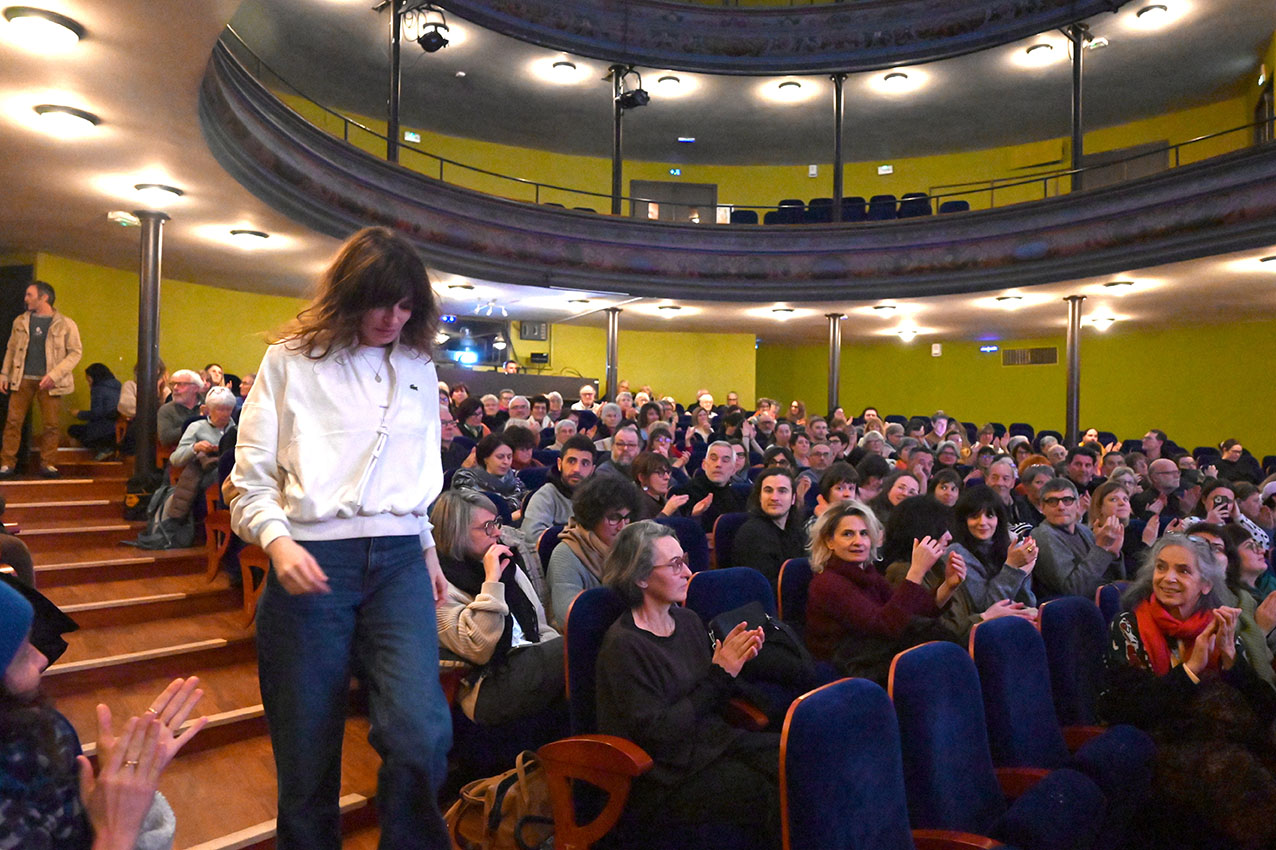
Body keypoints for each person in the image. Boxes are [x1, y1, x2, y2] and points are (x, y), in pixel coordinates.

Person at [228, 226, 454, 849]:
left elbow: (415, 472)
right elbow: (248, 481)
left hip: (400, 561)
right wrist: (278, 543)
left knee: (420, 734)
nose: (393, 318)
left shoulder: (418, 365)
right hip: (311, 557)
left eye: (406, 305)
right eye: (381, 302)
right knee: (306, 760)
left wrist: (427, 548)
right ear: (348, 294)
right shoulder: (289, 360)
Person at [595, 521, 778, 847]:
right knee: (764, 791)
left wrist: (736, 663)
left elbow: (712, 697)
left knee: (793, 757)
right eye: (675, 564)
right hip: (666, 775)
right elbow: (659, 734)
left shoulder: (688, 620)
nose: (689, 573)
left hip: (710, 746)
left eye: (685, 560)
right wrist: (721, 674)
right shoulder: (623, 646)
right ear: (640, 577)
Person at [0, 577, 209, 850]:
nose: (42, 659)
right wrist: (115, 834)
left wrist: (110, 800)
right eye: (22, 657)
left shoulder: (40, 725)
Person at [1097, 535, 1276, 850]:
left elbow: (1264, 706)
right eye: (1161, 568)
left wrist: (1231, 660)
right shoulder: (1128, 626)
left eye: (1183, 570)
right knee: (1230, 772)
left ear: (1205, 585)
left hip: (1221, 737)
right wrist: (1191, 669)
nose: (1168, 578)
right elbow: (1125, 707)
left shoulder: (1217, 622)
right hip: (1159, 739)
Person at [432, 491, 565, 726]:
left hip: (527, 658)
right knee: (579, 646)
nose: (497, 532)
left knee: (581, 655)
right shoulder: (437, 586)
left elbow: (539, 625)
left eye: (496, 523)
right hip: (485, 683)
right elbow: (479, 648)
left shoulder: (506, 565)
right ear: (457, 533)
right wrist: (491, 581)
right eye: (487, 527)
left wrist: (552, 648)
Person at [805, 500, 964, 683]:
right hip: (850, 668)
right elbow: (885, 626)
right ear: (829, 541)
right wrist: (916, 572)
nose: (858, 541)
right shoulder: (827, 583)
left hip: (876, 653)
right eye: (848, 534)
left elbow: (910, 613)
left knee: (939, 638)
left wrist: (948, 586)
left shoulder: (867, 573)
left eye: (864, 533)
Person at [0, 281, 82, 478]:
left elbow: (75, 352)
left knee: (51, 425)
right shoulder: (20, 321)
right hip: (21, 378)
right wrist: (4, 373)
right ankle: (7, 463)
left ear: (44, 297)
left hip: (50, 382)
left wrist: (55, 375)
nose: (26, 299)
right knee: (13, 421)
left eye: (30, 295)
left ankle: (48, 464)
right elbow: (11, 348)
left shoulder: (66, 323)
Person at [545, 474, 643, 626]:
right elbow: (568, 616)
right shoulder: (565, 554)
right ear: (593, 517)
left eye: (627, 517)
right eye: (613, 518)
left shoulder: (632, 547)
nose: (622, 526)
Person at [520, 434, 596, 597]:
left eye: (585, 463)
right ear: (560, 464)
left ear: (592, 470)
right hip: (557, 571)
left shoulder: (600, 497)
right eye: (571, 461)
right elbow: (531, 538)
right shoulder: (547, 494)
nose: (577, 469)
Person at [947, 486, 1038, 611]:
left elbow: (1028, 602)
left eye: (989, 516)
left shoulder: (1008, 544)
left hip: (1016, 617)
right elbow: (985, 608)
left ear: (998, 519)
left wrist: (1024, 573)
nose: (982, 522)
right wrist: (1012, 567)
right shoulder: (956, 552)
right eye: (974, 516)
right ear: (964, 520)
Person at [1030, 477, 1123, 598]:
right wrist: (1101, 548)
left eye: (1067, 500)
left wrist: (1113, 554)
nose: (1061, 507)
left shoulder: (1084, 530)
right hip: (1070, 606)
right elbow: (1072, 589)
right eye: (1052, 501)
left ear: (1078, 504)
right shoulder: (1043, 535)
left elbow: (1110, 580)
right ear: (1042, 507)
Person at [162, 386, 237, 525]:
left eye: (229, 409)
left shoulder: (237, 428)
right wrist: (195, 448)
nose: (225, 414)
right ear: (208, 410)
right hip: (205, 474)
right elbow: (175, 459)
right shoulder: (196, 427)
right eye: (220, 409)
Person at [732, 468, 806, 590]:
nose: (774, 497)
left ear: (793, 499)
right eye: (768, 491)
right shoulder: (752, 533)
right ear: (760, 497)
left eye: (782, 491)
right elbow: (765, 587)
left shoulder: (796, 531)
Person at [1090, 480, 1162, 578]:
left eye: (1125, 499)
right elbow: (1132, 575)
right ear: (1099, 507)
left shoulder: (1134, 530)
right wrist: (1147, 543)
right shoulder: (1094, 535)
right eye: (1113, 499)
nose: (1122, 503)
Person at [672, 440, 747, 532]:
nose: (718, 464)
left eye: (725, 460)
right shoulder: (685, 493)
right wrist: (695, 515)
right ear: (704, 465)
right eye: (713, 459)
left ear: (733, 469)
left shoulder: (738, 498)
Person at [450, 433, 527, 522]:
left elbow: (526, 501)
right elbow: (473, 510)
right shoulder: (465, 477)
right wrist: (510, 517)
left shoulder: (515, 478)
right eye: (500, 457)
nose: (506, 462)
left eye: (509, 457)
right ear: (485, 458)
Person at [67, 362, 121, 460]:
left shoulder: (98, 389)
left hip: (103, 433)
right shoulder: (118, 386)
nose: (88, 383)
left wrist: (79, 414)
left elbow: (96, 414)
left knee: (72, 430)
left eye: (89, 379)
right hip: (118, 432)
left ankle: (80, 458)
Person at [632, 450, 694, 520]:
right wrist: (666, 513)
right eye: (660, 472)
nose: (667, 477)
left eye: (667, 472)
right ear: (642, 477)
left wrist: (695, 514)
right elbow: (643, 526)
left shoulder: (664, 500)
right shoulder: (636, 504)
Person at [157, 370, 204, 449]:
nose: (175, 388)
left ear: (195, 388)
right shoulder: (166, 410)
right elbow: (165, 439)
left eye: (181, 384)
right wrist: (197, 423)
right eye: (173, 384)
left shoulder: (209, 406)